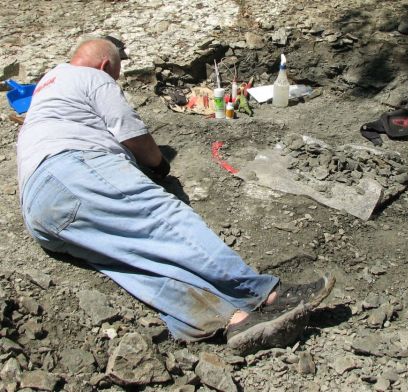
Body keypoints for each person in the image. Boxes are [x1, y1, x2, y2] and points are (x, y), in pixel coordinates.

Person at [16, 38, 335, 353]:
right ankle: (267, 294)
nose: (114, 79)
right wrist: (158, 165)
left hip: (40, 210)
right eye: (116, 73)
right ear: (106, 65)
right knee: (167, 220)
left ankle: (233, 319)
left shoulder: (48, 87)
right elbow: (130, 131)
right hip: (75, 170)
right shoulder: (92, 76)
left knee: (136, 263)